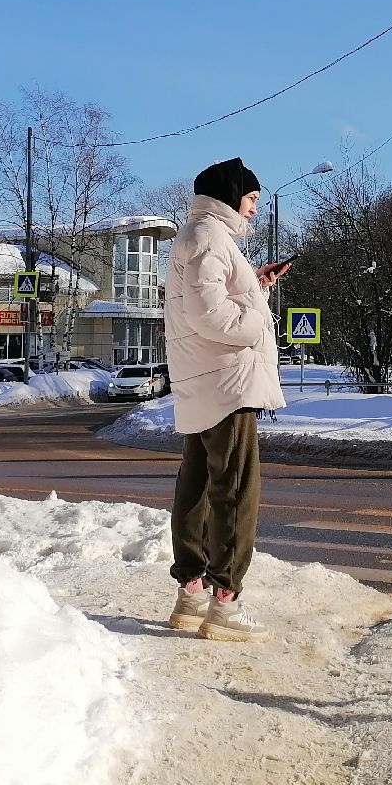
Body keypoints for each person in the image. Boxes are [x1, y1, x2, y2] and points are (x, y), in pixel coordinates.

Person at [164, 157, 290, 642]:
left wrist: (252, 284)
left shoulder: (199, 237)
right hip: (226, 382)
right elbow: (216, 318)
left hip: (203, 378)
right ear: (230, 193)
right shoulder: (209, 238)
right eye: (252, 198)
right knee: (236, 491)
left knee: (195, 488)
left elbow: (205, 302)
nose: (254, 209)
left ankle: (191, 594)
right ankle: (225, 603)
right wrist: (260, 313)